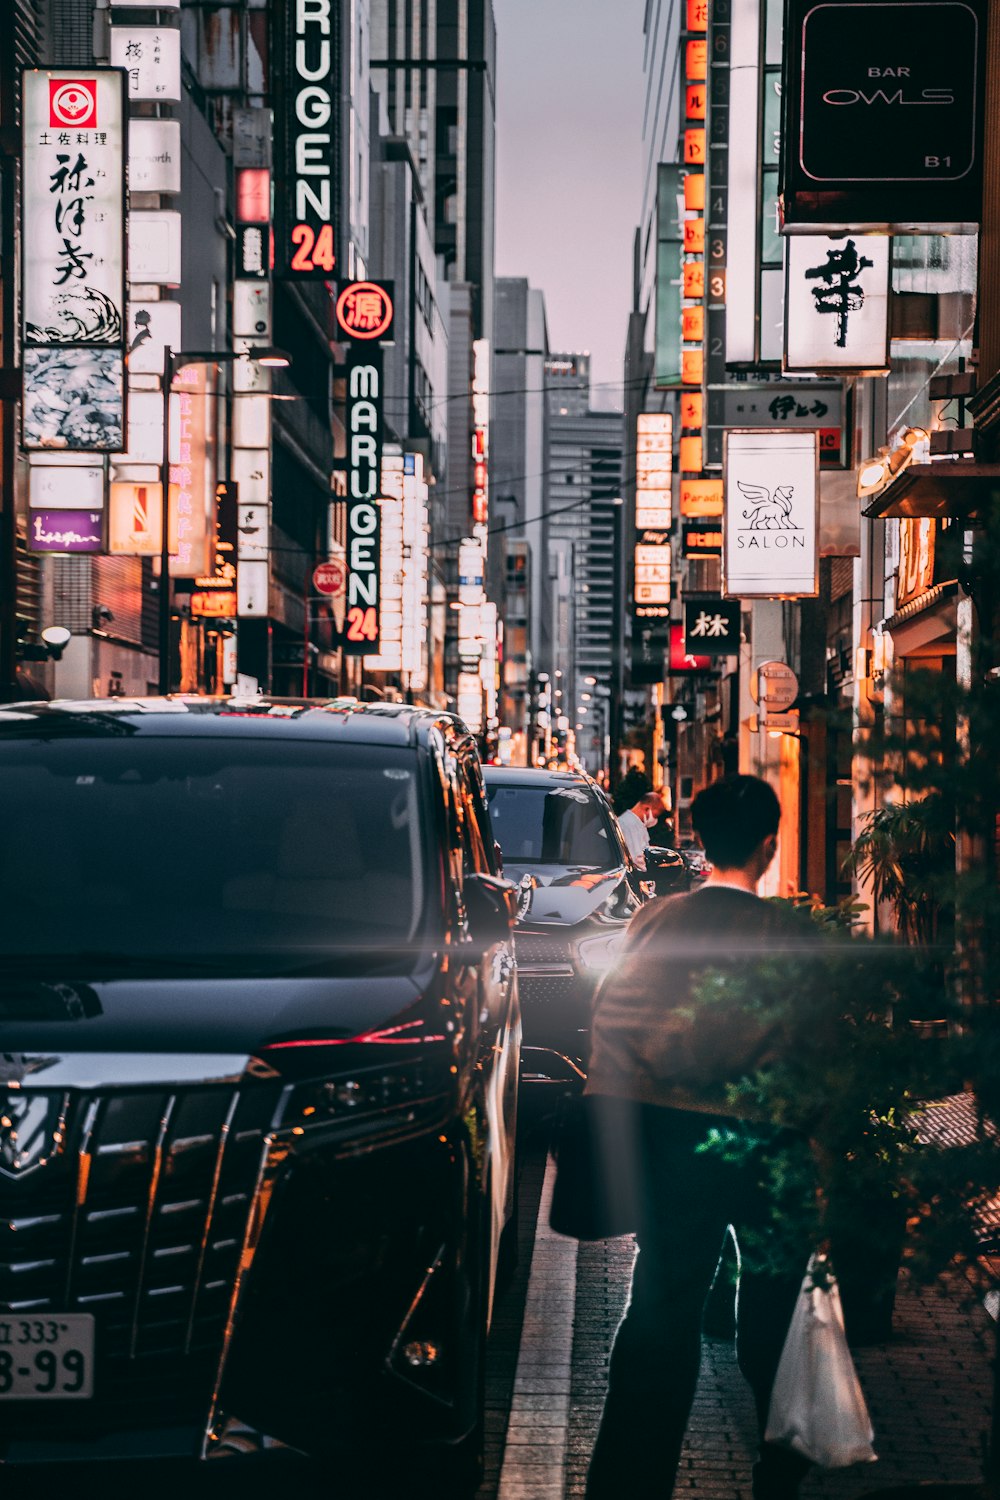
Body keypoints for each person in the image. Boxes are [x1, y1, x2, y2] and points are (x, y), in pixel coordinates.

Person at [584, 774, 813, 1500]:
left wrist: (615, 1119)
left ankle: (629, 1480)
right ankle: (781, 1472)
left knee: (662, 1305)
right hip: (766, 1142)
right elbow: (813, 1052)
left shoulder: (656, 920)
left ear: (700, 841)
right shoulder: (788, 934)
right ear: (771, 846)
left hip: (670, 1137)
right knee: (777, 1314)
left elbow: (614, 1021)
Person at [617, 791, 665, 872]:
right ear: (647, 809)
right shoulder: (629, 825)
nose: (655, 820)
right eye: (655, 816)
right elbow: (637, 858)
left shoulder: (637, 824)